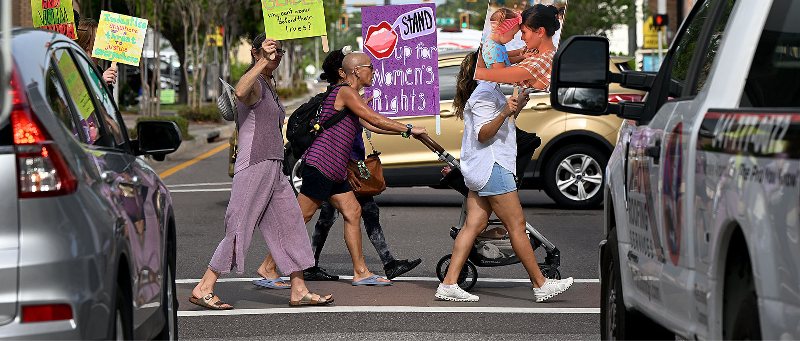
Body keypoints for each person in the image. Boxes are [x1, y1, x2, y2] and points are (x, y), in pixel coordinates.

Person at [257, 50, 429, 287]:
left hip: (335, 169)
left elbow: (372, 125)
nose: (374, 72)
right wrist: (409, 128)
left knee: (353, 212)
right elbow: (374, 119)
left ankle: (361, 272)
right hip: (321, 165)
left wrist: (406, 133)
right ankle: (268, 266)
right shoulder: (345, 92)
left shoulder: (350, 95)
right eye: (370, 67)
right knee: (300, 217)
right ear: (356, 71)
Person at [191, 34, 332, 309]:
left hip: (274, 166)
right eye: (270, 50)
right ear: (255, 52)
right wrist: (262, 61)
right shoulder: (254, 81)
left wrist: (265, 60)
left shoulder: (269, 83)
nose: (275, 55)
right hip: (254, 164)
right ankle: (204, 287)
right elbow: (240, 93)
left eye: (279, 52)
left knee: (291, 224)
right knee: (239, 226)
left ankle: (299, 289)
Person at [435, 50, 573, 303]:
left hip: (485, 167)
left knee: (473, 225)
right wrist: (504, 112)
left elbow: (501, 128)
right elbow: (483, 134)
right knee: (517, 226)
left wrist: (515, 108)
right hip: (493, 167)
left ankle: (449, 283)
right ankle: (541, 284)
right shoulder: (485, 94)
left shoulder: (491, 90)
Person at [474, 4, 560, 90]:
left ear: (540, 31)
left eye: (524, 32)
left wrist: (479, 58)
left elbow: (483, 74)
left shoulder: (543, 61)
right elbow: (502, 55)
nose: (522, 38)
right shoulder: (532, 50)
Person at [76, 19, 117, 87]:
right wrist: (101, 84)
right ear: (87, 45)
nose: (104, 40)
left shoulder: (99, 71)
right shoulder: (77, 71)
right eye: (99, 38)